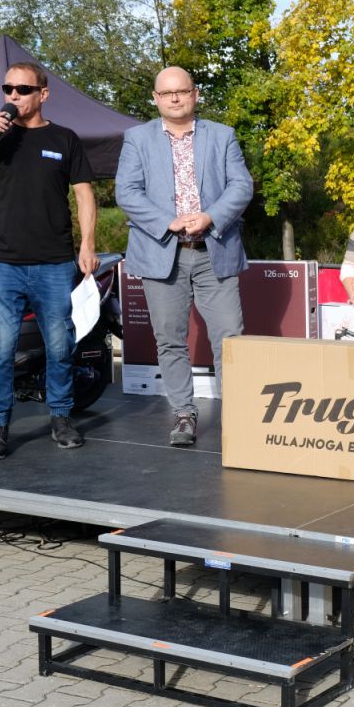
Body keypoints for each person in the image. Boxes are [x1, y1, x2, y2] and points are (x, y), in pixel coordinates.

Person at [0, 61, 99, 460]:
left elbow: (84, 194)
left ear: (43, 94)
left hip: (54, 262)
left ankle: (61, 417)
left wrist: (87, 244)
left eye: (23, 89)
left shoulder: (64, 138)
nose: (13, 95)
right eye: (8, 89)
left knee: (60, 345)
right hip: (4, 264)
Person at [115, 66, 253, 447]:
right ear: (155, 99)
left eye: (181, 91)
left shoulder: (222, 135)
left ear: (195, 94)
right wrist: (168, 222)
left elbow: (241, 185)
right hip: (162, 251)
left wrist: (211, 216)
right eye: (166, 93)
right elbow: (127, 191)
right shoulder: (137, 138)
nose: (174, 98)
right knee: (169, 339)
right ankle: (183, 414)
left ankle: (237, 417)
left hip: (214, 250)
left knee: (230, 338)